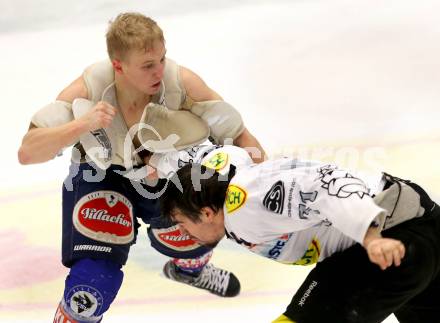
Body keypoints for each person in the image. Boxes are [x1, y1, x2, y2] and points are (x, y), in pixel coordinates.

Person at [17, 12, 266, 323]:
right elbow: (28, 153)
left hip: (164, 170)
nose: (159, 71)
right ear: (118, 65)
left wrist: (265, 184)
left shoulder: (182, 84)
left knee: (200, 230)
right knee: (92, 284)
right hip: (101, 175)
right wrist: (82, 124)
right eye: (148, 65)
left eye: (162, 59)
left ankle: (190, 270)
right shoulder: (86, 91)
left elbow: (240, 135)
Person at [160, 150, 440, 323]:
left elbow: (325, 184)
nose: (184, 234)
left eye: (183, 224)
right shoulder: (216, 174)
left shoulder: (244, 206)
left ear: (207, 213)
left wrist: (370, 235)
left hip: (392, 240)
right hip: (422, 229)